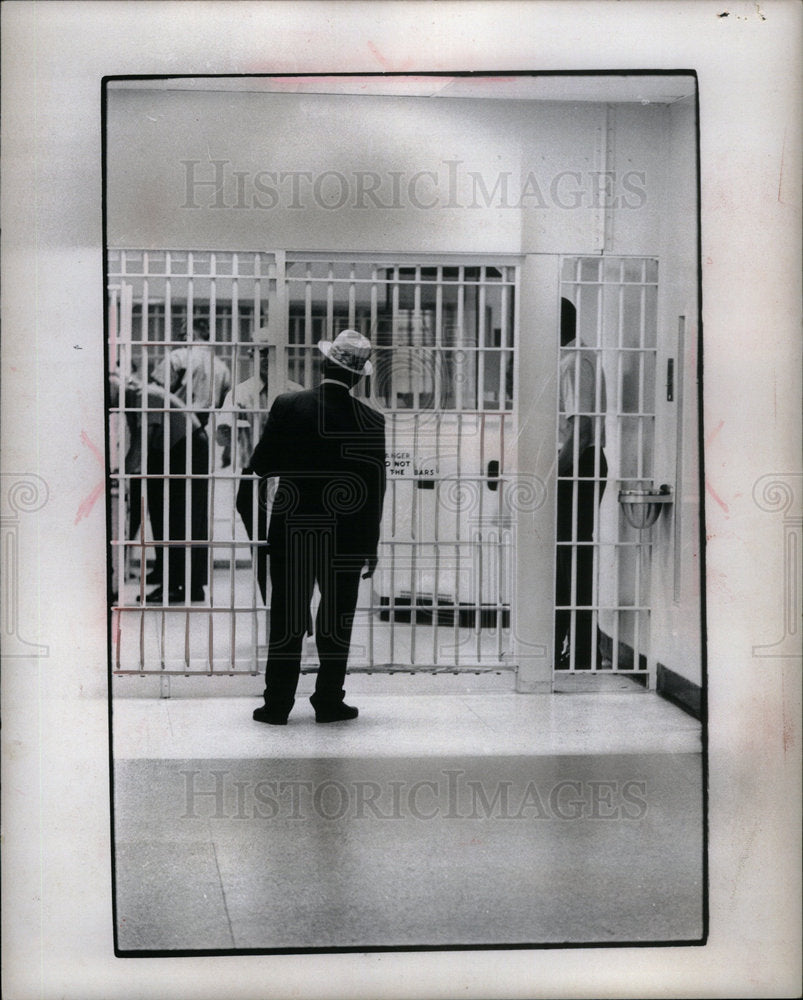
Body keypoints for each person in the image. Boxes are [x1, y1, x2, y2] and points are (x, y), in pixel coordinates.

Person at [247, 330, 386, 725]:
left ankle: (276, 704)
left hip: (292, 527)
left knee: (287, 616)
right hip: (346, 534)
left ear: (322, 364)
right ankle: (328, 701)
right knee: (336, 619)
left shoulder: (288, 405)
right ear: (359, 377)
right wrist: (370, 545)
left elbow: (262, 464)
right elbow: (376, 489)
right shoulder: (371, 419)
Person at [145, 314, 231, 603]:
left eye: (182, 330)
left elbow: (154, 397)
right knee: (195, 514)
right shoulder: (221, 367)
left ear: (188, 331)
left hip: (170, 438)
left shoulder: (177, 357)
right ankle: (194, 585)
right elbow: (223, 407)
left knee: (165, 511)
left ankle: (170, 583)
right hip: (200, 439)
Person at [217, 324, 303, 602]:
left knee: (294, 548)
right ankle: (272, 606)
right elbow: (222, 434)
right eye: (262, 352)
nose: (267, 358)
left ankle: (296, 611)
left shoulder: (298, 393)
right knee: (261, 546)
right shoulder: (240, 394)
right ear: (253, 354)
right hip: (254, 476)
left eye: (273, 353)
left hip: (292, 478)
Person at [555, 298, 607, 669]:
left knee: (571, 557)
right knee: (568, 557)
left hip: (578, 464)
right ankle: (570, 647)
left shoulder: (575, 361)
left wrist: (558, 473)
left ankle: (582, 651)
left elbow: (582, 426)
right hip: (577, 462)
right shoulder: (570, 358)